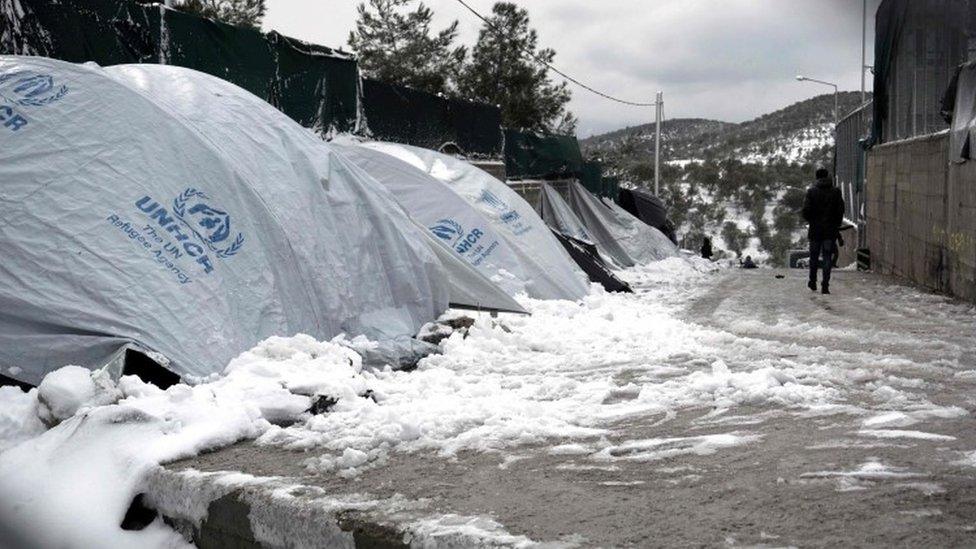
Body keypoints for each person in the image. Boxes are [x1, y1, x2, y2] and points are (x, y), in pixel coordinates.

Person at [802, 168, 845, 294]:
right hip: (830, 231)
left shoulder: (811, 192)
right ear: (827, 177)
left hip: (815, 231)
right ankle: (825, 285)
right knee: (827, 257)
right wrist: (835, 224)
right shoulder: (836, 192)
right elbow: (841, 210)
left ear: (817, 178)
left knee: (814, 257)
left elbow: (805, 211)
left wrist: (812, 221)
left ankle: (812, 281)